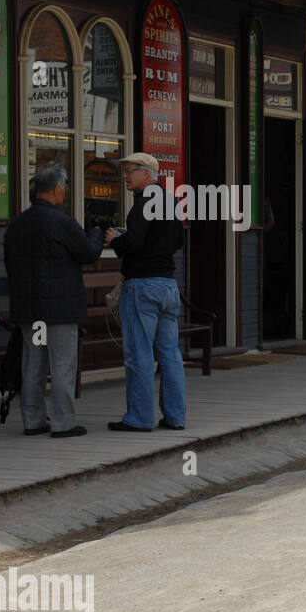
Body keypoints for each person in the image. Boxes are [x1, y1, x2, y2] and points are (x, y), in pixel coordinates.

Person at [3, 163, 105, 438]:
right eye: (65, 188)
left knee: (33, 365)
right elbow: (88, 254)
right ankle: (63, 423)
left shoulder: (16, 225)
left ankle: (33, 420)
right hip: (59, 311)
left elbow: (10, 265)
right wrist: (96, 233)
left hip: (29, 310)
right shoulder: (63, 223)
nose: (66, 193)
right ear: (58, 189)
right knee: (62, 365)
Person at [105, 153, 187, 433]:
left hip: (142, 285)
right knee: (170, 354)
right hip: (168, 285)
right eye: (125, 171)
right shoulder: (172, 201)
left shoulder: (143, 203)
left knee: (138, 354)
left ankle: (139, 419)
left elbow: (135, 243)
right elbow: (178, 240)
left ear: (147, 173)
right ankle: (175, 416)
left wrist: (117, 240)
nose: (125, 176)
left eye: (130, 171)